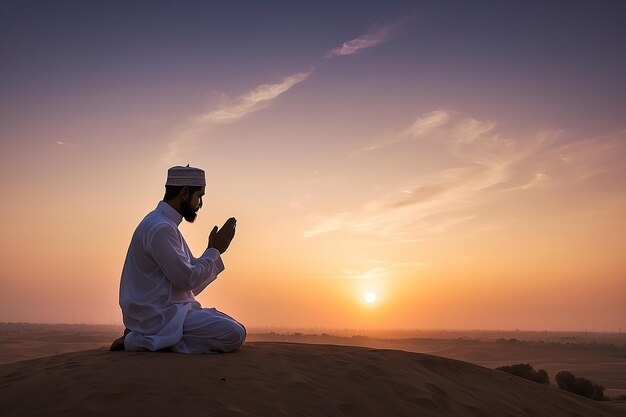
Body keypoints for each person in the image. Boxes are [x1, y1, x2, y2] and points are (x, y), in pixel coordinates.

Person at [110, 165, 246, 353]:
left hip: (172, 311)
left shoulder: (165, 224)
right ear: (184, 192)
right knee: (234, 333)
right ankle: (140, 340)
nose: (200, 204)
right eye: (199, 196)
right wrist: (215, 251)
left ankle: (155, 339)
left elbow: (189, 285)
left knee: (235, 326)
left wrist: (212, 251)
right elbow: (188, 279)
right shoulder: (161, 228)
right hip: (159, 316)